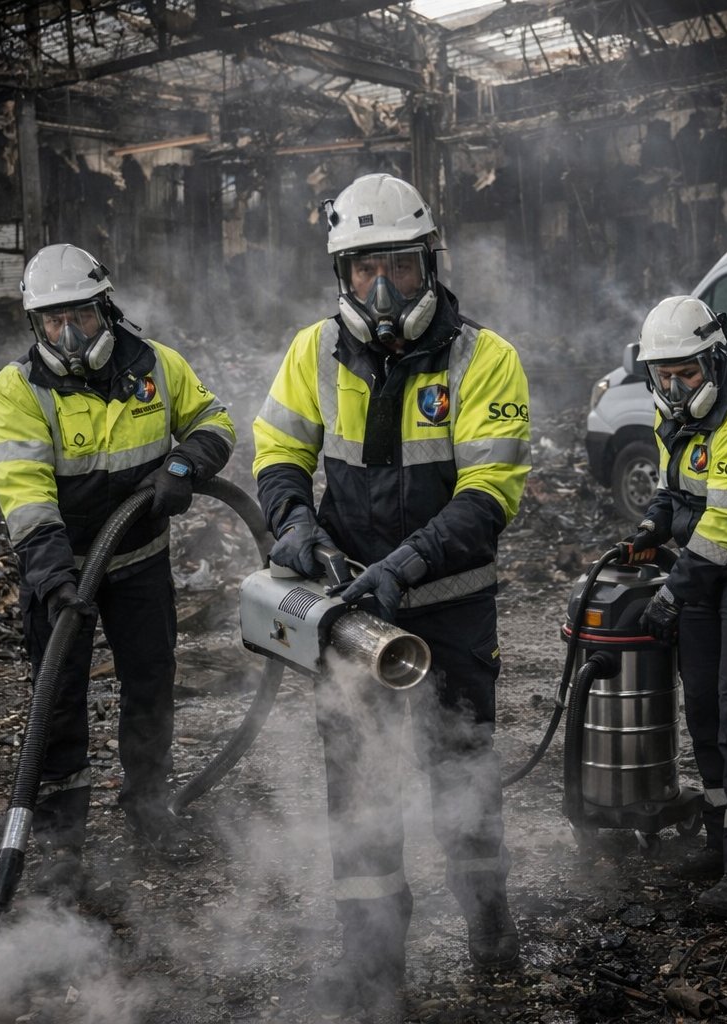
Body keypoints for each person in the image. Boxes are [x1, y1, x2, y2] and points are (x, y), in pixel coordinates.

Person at [252, 172, 531, 1019]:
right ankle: (374, 967)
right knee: (359, 787)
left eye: (401, 267)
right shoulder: (313, 352)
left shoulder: (483, 358)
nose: (383, 290)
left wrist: (405, 565)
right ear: (341, 274)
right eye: (365, 269)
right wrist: (293, 522)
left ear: (429, 264)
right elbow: (277, 451)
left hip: (450, 605)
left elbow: (489, 493)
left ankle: (492, 936)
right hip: (351, 614)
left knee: (461, 773)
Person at [0, 243, 236, 900]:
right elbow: (25, 493)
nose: (69, 335)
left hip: (140, 564)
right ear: (36, 324)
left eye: (81, 317)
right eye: (53, 322)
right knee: (58, 699)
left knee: (150, 685)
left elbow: (215, 421)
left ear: (106, 309)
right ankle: (60, 839)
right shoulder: (18, 391)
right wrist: (53, 580)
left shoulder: (156, 366)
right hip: (62, 576)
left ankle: (150, 807)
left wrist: (184, 464)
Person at [621, 295, 727, 918]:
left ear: (715, 364)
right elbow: (673, 490)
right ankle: (723, 845)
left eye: (687, 372)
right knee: (703, 711)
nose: (674, 387)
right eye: (663, 374)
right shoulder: (671, 420)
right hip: (705, 578)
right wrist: (652, 524)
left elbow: (723, 526)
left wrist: (672, 594)